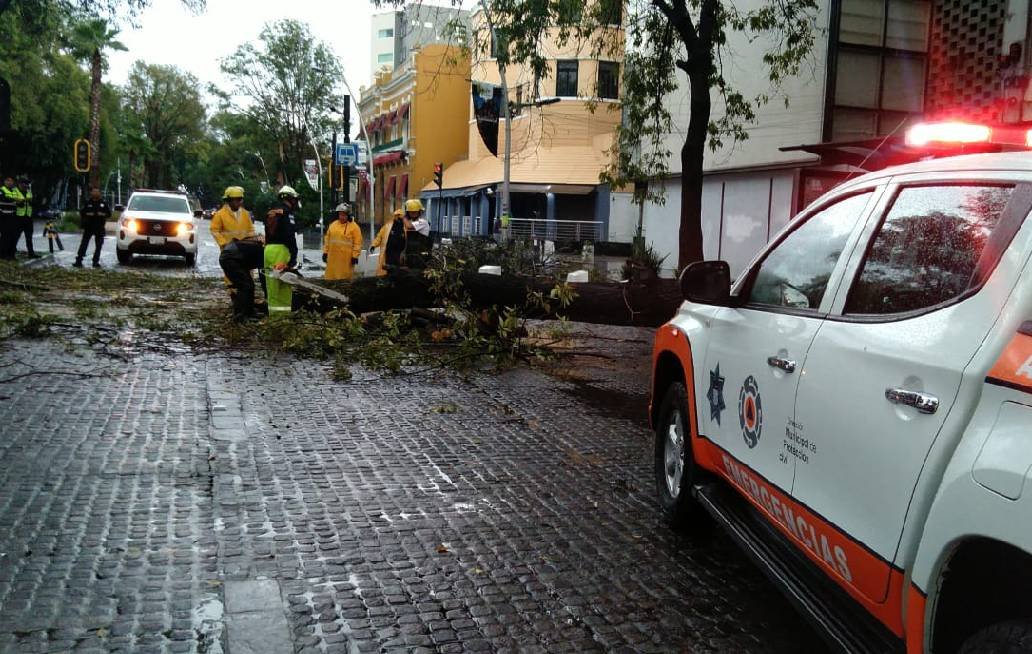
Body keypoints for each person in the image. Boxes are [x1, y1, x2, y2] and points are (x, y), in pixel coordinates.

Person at [263, 185, 301, 315]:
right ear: (291, 199)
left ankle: (273, 319)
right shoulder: (287, 213)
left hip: (268, 250)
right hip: (280, 251)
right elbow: (289, 234)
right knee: (284, 285)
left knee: (272, 287)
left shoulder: (270, 212)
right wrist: (294, 256)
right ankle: (283, 319)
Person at [322, 203, 363, 281]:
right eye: (340, 215)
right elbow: (327, 240)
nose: (342, 217)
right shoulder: (333, 225)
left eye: (344, 215)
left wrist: (355, 256)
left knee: (344, 280)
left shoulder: (354, 228)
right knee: (330, 278)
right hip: (332, 259)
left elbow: (357, 243)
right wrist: (325, 252)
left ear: (348, 216)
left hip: (346, 260)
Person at [75, 187, 111, 268]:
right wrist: (88, 214)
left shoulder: (103, 203)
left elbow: (108, 214)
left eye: (97, 192)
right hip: (89, 226)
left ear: (99, 193)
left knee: (99, 245)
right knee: (84, 244)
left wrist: (102, 214)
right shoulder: (88, 202)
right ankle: (79, 260)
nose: (95, 193)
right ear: (91, 193)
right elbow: (82, 212)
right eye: (94, 192)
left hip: (99, 227)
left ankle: (95, 261)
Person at [371, 209, 403, 277]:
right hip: (388, 254)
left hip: (399, 255)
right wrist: (374, 245)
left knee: (398, 272)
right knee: (386, 271)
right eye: (396, 216)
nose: (398, 218)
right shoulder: (387, 226)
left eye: (399, 216)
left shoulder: (405, 228)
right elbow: (379, 237)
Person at [402, 198, 431, 268]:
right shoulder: (410, 221)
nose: (412, 213)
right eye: (410, 211)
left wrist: (403, 217)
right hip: (410, 253)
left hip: (421, 254)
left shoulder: (423, 222)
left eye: (415, 211)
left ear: (419, 212)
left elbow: (409, 226)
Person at [15, 177, 38, 258]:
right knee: (16, 236)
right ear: (19, 184)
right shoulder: (16, 191)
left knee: (29, 237)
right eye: (24, 183)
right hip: (19, 218)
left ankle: (31, 253)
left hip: (28, 217)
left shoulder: (29, 192)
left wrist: (31, 201)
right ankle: (11, 252)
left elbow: (32, 203)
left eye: (27, 184)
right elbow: (16, 203)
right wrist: (24, 200)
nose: (26, 185)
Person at [0, 176, 18, 260]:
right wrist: (14, 200)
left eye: (11, 181)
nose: (10, 182)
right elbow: (4, 199)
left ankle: (11, 254)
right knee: (5, 236)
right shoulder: (1, 190)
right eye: (8, 181)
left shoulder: (14, 191)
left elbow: (17, 202)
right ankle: (3, 254)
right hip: (4, 216)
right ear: (5, 182)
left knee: (13, 236)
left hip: (13, 216)